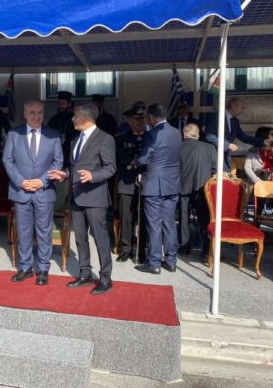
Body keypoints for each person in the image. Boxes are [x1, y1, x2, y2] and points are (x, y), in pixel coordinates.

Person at [49, 103, 116, 295]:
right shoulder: (75, 139)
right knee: (80, 238)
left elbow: (111, 167)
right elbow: (75, 168)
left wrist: (93, 176)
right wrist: (65, 174)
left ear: (86, 117)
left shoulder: (105, 138)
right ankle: (85, 274)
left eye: (75, 115)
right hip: (76, 197)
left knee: (100, 240)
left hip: (95, 199)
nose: (72, 119)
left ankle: (105, 278)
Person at [3, 99, 63, 285]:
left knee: (44, 231)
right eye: (32, 113)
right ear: (25, 114)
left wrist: (41, 181)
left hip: (44, 191)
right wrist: (21, 182)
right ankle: (25, 267)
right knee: (23, 231)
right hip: (21, 191)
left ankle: (43, 268)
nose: (36, 116)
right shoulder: (14, 134)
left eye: (40, 113)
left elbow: (58, 162)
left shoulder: (53, 135)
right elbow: (7, 160)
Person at [135, 104, 182, 274]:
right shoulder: (177, 132)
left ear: (152, 117)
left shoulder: (151, 134)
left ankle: (154, 262)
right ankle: (171, 261)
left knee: (154, 224)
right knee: (169, 223)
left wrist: (136, 161)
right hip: (173, 183)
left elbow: (143, 159)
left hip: (154, 184)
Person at [178, 123, 216, 258]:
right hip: (203, 188)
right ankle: (206, 248)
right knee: (204, 219)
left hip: (183, 187)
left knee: (184, 219)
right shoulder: (210, 148)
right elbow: (216, 170)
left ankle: (184, 247)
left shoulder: (178, 147)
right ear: (198, 135)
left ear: (184, 134)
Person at [115, 104, 146, 263]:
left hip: (146, 183)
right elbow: (118, 159)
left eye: (141, 118)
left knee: (143, 217)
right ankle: (126, 248)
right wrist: (132, 163)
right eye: (136, 119)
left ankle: (140, 248)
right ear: (129, 121)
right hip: (126, 182)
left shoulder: (150, 137)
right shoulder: (120, 138)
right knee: (126, 217)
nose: (140, 121)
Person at [205, 97, 266, 172]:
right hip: (213, 156)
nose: (243, 110)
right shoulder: (217, 116)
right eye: (241, 107)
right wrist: (227, 145)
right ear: (233, 106)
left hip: (225, 157)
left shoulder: (235, 121)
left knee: (226, 176)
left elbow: (243, 137)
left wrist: (263, 141)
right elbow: (209, 136)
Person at [244, 126, 273, 215]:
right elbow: (247, 168)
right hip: (258, 181)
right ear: (265, 136)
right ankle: (257, 219)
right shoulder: (253, 151)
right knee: (260, 194)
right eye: (272, 134)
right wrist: (258, 181)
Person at [47, 91, 77, 166]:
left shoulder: (75, 118)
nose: (60, 106)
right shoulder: (53, 119)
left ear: (69, 104)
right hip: (56, 152)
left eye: (63, 104)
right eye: (59, 104)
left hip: (70, 151)